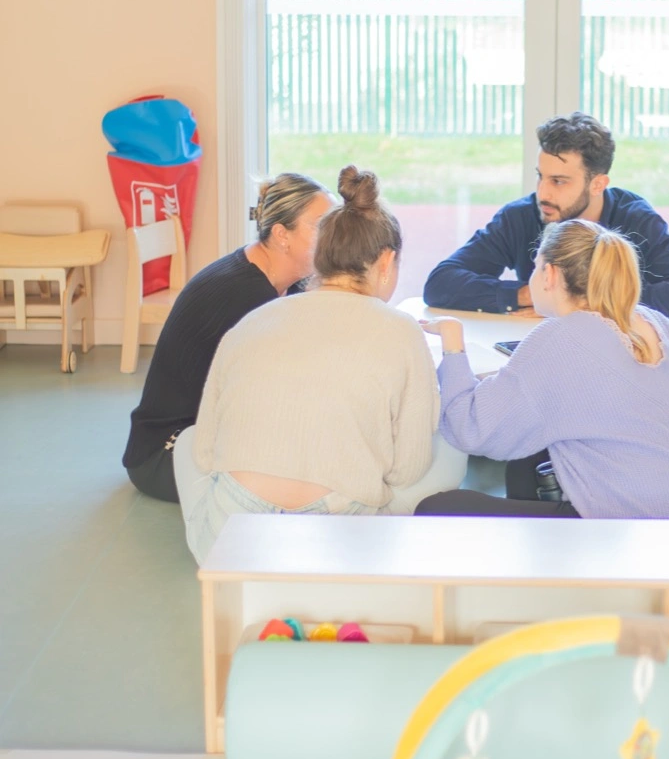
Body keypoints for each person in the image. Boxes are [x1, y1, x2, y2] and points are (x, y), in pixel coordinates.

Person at [173, 166, 466, 563]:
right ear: (386, 261)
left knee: (187, 442)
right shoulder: (400, 330)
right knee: (451, 447)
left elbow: (206, 452)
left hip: (234, 532)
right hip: (338, 530)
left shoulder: (257, 317)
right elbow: (407, 470)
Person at [416, 217, 669, 519]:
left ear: (550, 274)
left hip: (635, 530)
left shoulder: (562, 337)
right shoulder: (646, 319)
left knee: (438, 509)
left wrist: (453, 342)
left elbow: (470, 428)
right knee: (529, 463)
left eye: (535, 266)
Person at [123, 171, 334, 503]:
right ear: (282, 235)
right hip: (165, 454)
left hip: (210, 435)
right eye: (321, 226)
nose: (333, 236)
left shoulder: (279, 279)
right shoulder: (244, 295)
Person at [423, 112, 669, 323]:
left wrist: (570, 300)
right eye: (540, 176)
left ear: (597, 184)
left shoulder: (636, 220)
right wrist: (527, 295)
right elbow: (440, 284)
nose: (542, 193)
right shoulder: (521, 216)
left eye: (558, 181)